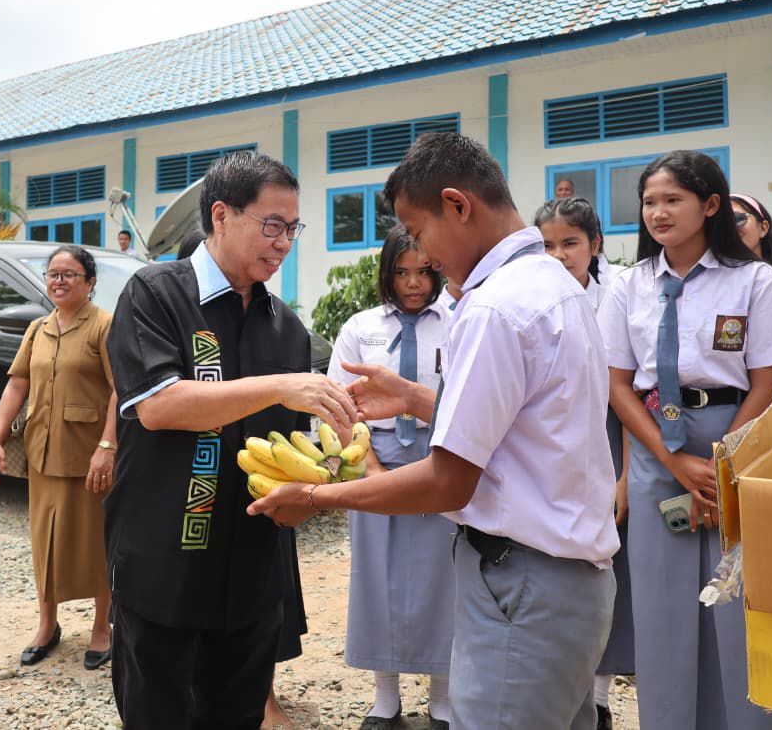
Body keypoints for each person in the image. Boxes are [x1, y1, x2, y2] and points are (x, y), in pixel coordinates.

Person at [251, 132, 618, 730]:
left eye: (419, 234)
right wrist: (417, 398)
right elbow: (522, 418)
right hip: (567, 582)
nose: (423, 257)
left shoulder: (494, 307)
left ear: (458, 205)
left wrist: (315, 498)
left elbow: (449, 482)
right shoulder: (554, 285)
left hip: (522, 583)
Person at [104, 150, 356, 730]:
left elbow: (290, 454)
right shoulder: (156, 294)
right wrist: (278, 387)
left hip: (250, 576)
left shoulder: (286, 329)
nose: (284, 242)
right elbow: (160, 407)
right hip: (163, 565)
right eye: (272, 225)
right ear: (221, 214)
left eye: (293, 228)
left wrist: (322, 480)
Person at [596, 151, 772, 730]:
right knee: (661, 611)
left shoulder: (755, 281)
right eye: (649, 202)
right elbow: (617, 384)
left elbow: (770, 380)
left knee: (737, 607)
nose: (657, 212)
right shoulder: (629, 286)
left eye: (672, 200)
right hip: (656, 451)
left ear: (710, 205)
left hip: (737, 448)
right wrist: (671, 459)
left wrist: (722, 462)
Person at [176, 226, 308, 730]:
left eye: (288, 229)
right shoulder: (169, 314)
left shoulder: (285, 330)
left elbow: (297, 433)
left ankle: (263, 698)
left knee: (258, 613)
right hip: (192, 501)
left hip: (260, 497)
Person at [326, 225, 455, 730]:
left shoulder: (458, 320)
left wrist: (440, 464)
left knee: (443, 576)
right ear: (386, 273)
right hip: (372, 453)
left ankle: (442, 698)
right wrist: (367, 467)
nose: (413, 283)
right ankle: (386, 697)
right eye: (401, 272)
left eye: (423, 271)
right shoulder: (361, 326)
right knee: (376, 575)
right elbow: (338, 403)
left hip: (440, 456)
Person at [0, 245, 119, 671]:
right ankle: (47, 625)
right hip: (43, 451)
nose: (58, 281)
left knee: (97, 543)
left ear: (90, 283)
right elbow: (16, 386)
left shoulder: (105, 326)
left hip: (88, 456)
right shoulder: (38, 329)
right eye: (52, 274)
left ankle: (102, 628)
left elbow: (121, 390)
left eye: (69, 274)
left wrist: (108, 446)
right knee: (45, 543)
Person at [535, 197, 634, 730]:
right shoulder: (534, 299)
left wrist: (624, 476)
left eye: (570, 242)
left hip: (612, 434)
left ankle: (600, 697)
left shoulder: (616, 297)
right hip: (557, 444)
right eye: (547, 245)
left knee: (611, 569)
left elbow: (628, 393)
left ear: (595, 245)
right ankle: (570, 686)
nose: (559, 254)